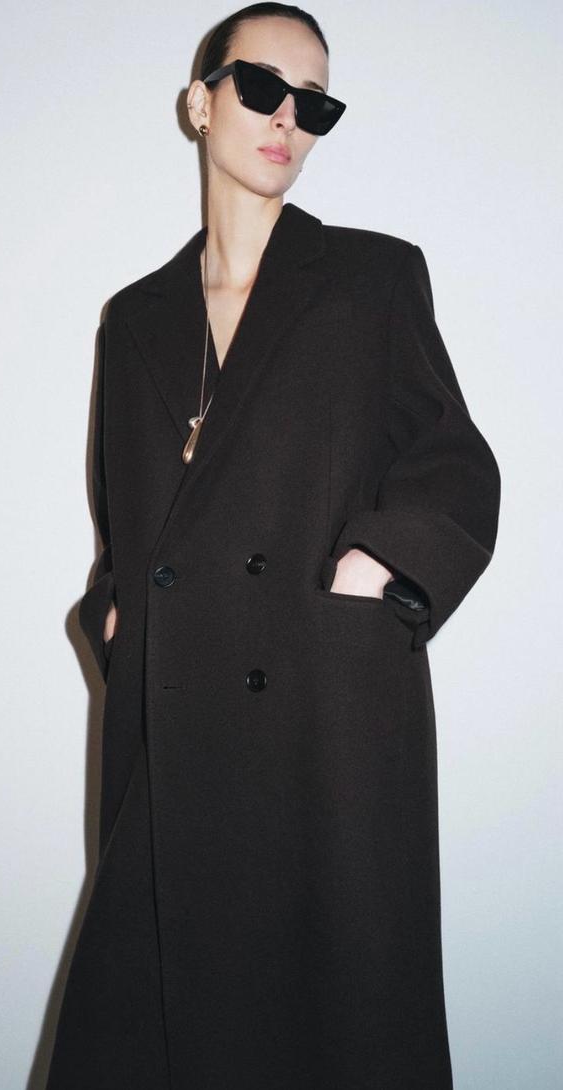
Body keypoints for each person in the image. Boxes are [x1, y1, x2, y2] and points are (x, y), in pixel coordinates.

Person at [44, 5, 501, 1088]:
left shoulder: (372, 280)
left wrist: (376, 570)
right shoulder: (134, 318)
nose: (288, 118)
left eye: (316, 105)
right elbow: (123, 518)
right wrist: (116, 613)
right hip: (174, 726)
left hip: (322, 720)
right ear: (200, 104)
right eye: (261, 88)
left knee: (328, 1027)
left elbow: (455, 465)